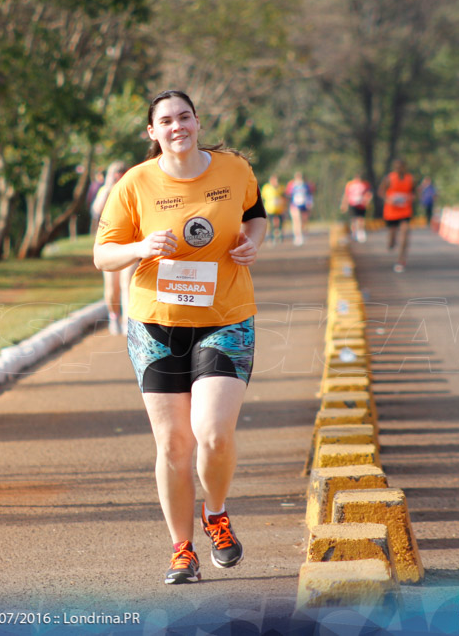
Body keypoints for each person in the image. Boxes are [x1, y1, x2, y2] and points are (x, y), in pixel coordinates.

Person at [93, 90, 267, 585]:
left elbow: (255, 214)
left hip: (225, 318)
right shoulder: (134, 184)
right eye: (165, 121)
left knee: (213, 433)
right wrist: (139, 246)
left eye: (184, 117)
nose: (177, 127)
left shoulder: (234, 169)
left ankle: (216, 514)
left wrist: (252, 242)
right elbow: (102, 256)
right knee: (173, 445)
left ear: (197, 122)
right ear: (152, 132)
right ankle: (182, 550)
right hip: (156, 326)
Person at [90, 161, 134, 334]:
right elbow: (95, 210)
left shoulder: (131, 188)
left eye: (122, 172)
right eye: (116, 173)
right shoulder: (105, 191)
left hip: (130, 243)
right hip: (109, 244)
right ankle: (114, 316)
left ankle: (127, 321)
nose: (119, 176)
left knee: (127, 283)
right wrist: (109, 187)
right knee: (111, 286)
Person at [379, 158, 415, 272]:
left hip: (405, 210)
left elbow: (414, 193)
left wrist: (411, 197)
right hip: (391, 211)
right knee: (392, 239)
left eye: (401, 167)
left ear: (405, 167)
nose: (399, 169)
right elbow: (381, 192)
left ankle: (401, 260)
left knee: (405, 232)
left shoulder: (410, 179)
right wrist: (388, 200)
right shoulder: (389, 178)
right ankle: (391, 242)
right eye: (397, 167)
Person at [340, 173, 373, 243]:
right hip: (353, 203)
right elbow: (346, 195)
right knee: (354, 219)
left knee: (360, 219)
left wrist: (367, 201)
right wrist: (344, 204)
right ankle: (354, 233)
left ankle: (360, 233)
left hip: (361, 204)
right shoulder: (350, 184)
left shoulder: (365, 184)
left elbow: (369, 194)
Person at [286, 171, 313, 245]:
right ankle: (298, 236)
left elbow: (309, 195)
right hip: (294, 205)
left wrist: (309, 203)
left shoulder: (306, 185)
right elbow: (288, 194)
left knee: (304, 221)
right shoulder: (292, 185)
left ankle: (304, 233)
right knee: (296, 220)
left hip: (304, 205)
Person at [260, 174, 286, 244]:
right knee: (271, 224)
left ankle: (280, 237)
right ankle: (271, 238)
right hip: (270, 209)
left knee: (280, 224)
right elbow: (262, 198)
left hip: (279, 209)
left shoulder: (281, 187)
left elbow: (284, 197)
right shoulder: (266, 188)